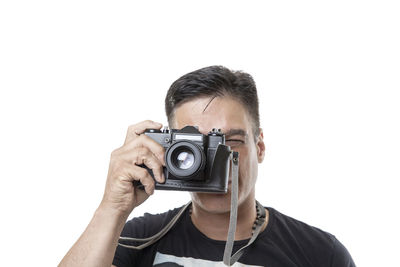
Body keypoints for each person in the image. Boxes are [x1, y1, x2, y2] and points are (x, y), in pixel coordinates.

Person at [59, 66, 355, 267]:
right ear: (169, 149)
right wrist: (111, 208)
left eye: (232, 141)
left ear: (260, 147)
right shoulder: (138, 240)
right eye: (195, 146)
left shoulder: (319, 254)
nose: (216, 161)